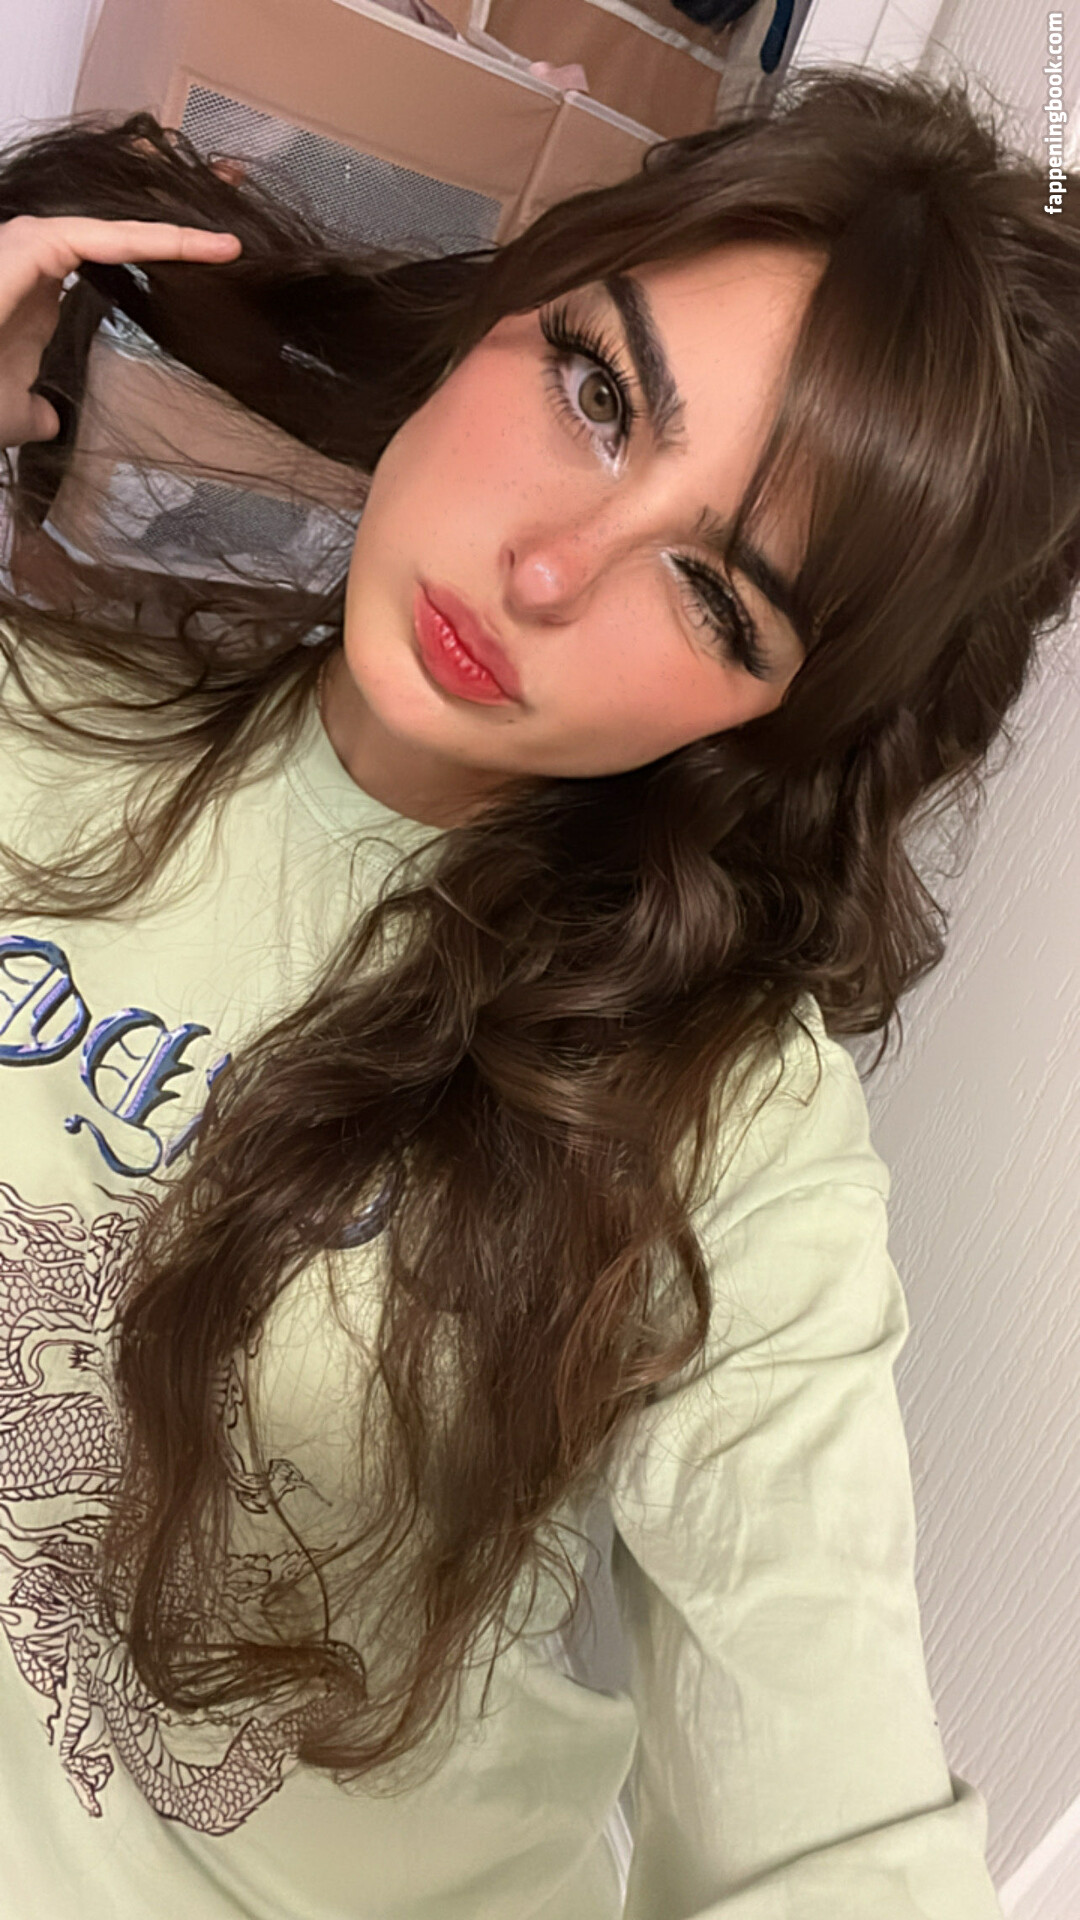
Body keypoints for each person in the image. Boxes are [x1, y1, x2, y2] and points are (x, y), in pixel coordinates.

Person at [0, 63, 1075, 1920]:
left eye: (719, 598)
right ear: (513, 303)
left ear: (773, 715)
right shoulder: (50, 719)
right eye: (600, 395)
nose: (553, 571)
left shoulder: (724, 1116)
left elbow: (832, 1823)